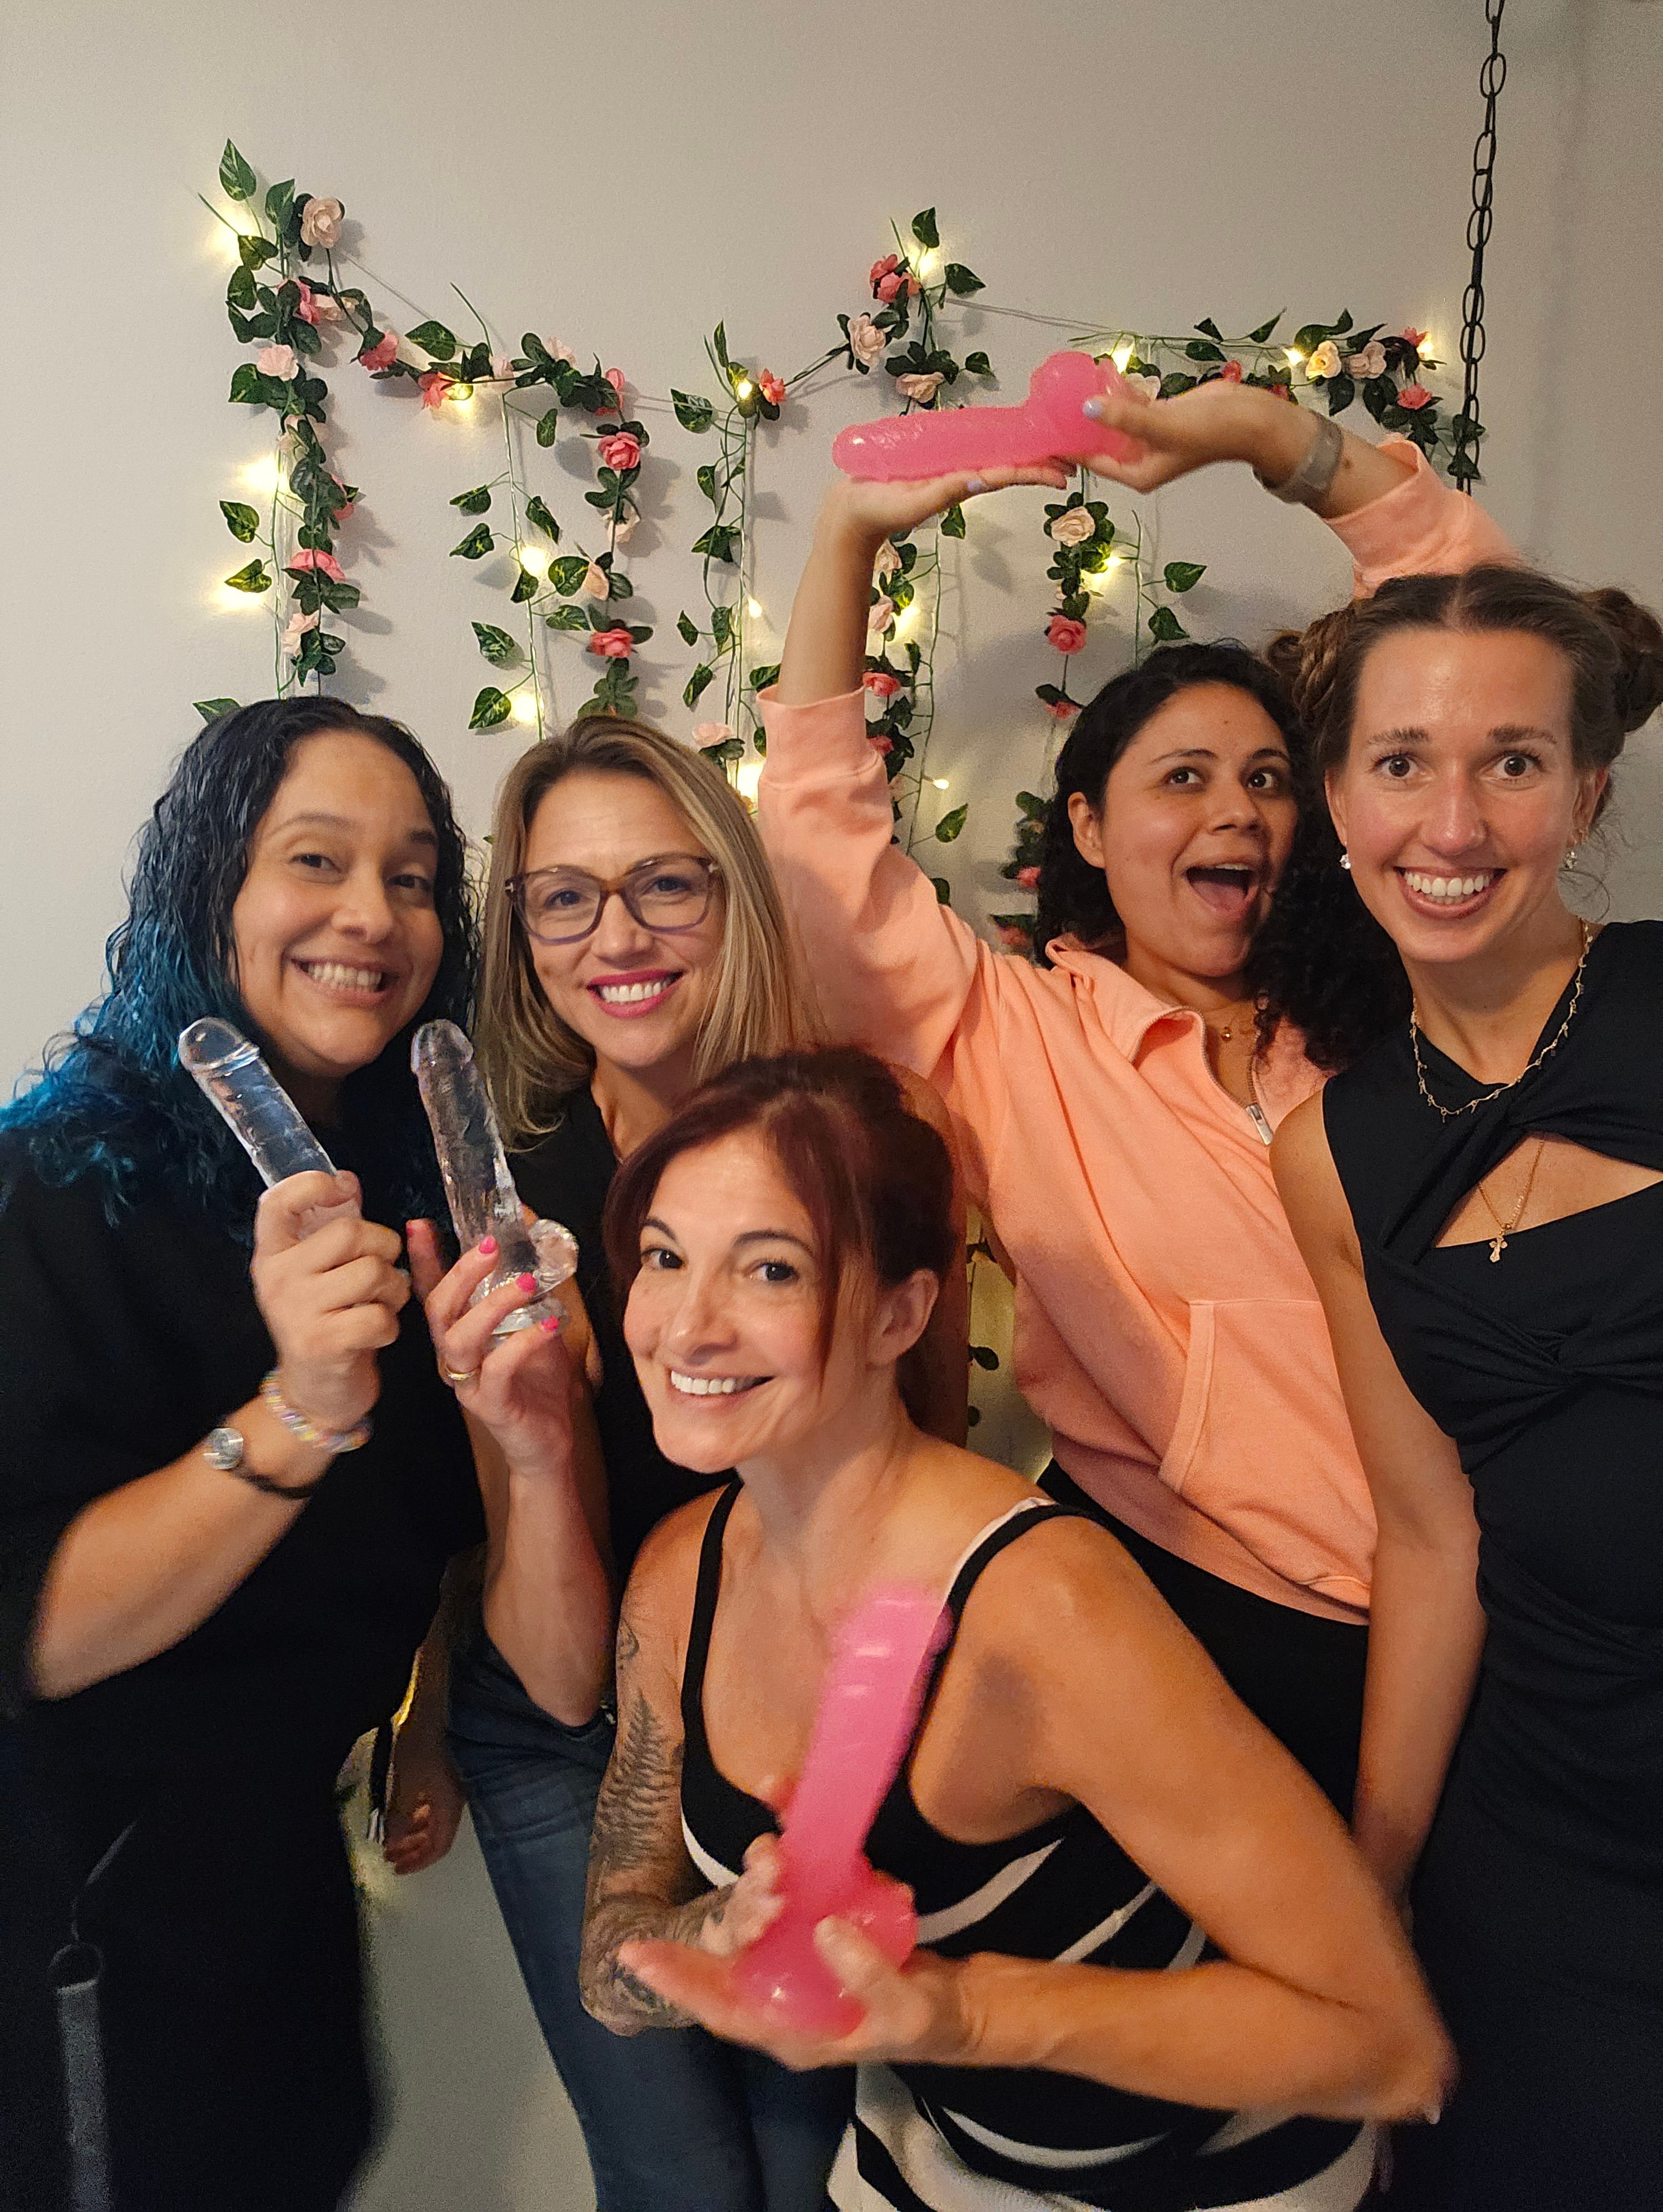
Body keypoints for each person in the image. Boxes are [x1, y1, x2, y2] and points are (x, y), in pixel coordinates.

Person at [750, 380, 1514, 1815]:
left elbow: (1493, 669)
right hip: (1212, 1616)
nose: (1237, 811)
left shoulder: (1403, 1016)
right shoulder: (1014, 1037)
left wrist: (1265, 437)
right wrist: (848, 535)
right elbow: (817, 847)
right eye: (1184, 779)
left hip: (1494, 1612)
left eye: (1269, 779)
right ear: (1089, 829)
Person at [565, 1046, 1451, 2211]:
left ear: (901, 1311)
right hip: (937, 2161)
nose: (687, 1324)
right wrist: (720, 1928)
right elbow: (607, 1959)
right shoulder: (678, 1580)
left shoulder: (1040, 1606)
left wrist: (958, 2008)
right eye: (666, 1257)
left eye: (769, 1269)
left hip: (1217, 2180)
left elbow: (1389, 2047)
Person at [437, 716, 966, 2210]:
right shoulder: (510, 1186)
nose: (619, 935)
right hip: (570, 1727)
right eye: (564, 896)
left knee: (814, 2167)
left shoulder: (870, 1133)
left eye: (667, 885)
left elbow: (921, 1477)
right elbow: (553, 1675)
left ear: (734, 896)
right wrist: (535, 1438)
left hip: (786, 1721)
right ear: (522, 929)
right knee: (676, 2180)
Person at [0, 698, 489, 2211]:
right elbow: (38, 1630)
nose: (371, 916)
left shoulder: (411, 1185)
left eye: (413, 877)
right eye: (317, 861)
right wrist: (296, 1410)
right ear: (210, 891)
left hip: (276, 1917)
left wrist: (434, 1708)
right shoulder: (54, 1191)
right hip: (84, 1943)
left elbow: (434, 1517)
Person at [1269, 565, 1663, 2210]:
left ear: (1587, 793)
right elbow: (1432, 1543)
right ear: (1338, 798)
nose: (1453, 819)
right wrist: (1373, 1879)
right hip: (1542, 1842)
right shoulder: (1329, 1150)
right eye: (1401, 761)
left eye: (1511, 761)